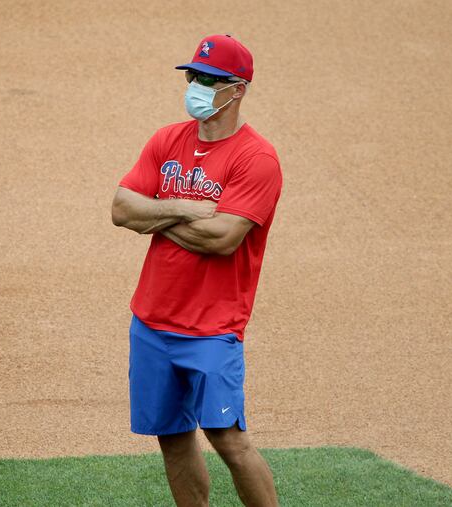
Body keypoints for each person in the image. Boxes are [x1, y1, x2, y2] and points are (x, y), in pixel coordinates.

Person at [111, 34, 282, 507]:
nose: (197, 85)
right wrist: (186, 207)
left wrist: (158, 216)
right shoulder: (166, 139)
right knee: (172, 435)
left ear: (238, 88)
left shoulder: (257, 159)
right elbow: (122, 209)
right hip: (151, 320)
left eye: (210, 78)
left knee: (229, 440)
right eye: (193, 76)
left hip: (212, 328)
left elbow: (223, 239)